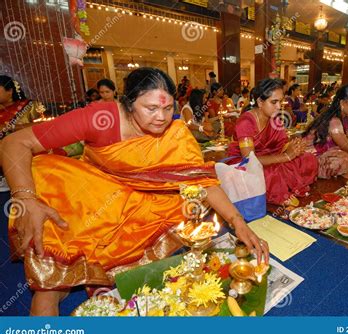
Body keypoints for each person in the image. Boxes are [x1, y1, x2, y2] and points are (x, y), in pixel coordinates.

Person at [1, 67, 269, 316]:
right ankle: (56, 285)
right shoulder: (99, 118)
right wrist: (26, 197)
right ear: (128, 103)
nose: (162, 117)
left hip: (143, 200)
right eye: (151, 108)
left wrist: (237, 222)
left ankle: (88, 273)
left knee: (189, 206)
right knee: (50, 189)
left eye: (167, 107)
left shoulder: (173, 133)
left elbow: (201, 180)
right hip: (94, 194)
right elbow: (14, 144)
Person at [227, 78, 317, 205]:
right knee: (272, 173)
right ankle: (281, 192)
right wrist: (286, 156)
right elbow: (249, 160)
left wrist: (294, 146)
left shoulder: (275, 119)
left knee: (308, 159)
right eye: (274, 102)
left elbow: (282, 144)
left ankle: (287, 186)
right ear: (260, 102)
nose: (279, 107)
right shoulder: (246, 122)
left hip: (272, 156)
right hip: (247, 162)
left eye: (280, 102)